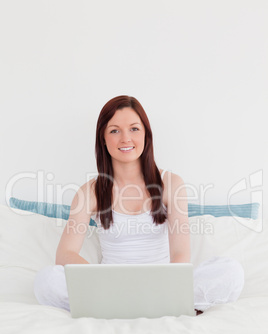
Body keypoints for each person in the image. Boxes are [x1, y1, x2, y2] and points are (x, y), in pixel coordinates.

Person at [34, 95, 244, 315]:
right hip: (110, 289)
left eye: (134, 129)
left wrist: (166, 288)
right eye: (114, 130)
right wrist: (101, 280)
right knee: (46, 280)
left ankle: (144, 306)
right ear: (103, 139)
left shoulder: (171, 184)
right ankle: (131, 306)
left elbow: (181, 253)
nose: (126, 138)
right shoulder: (90, 192)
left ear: (146, 135)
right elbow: (65, 254)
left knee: (231, 271)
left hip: (163, 287)